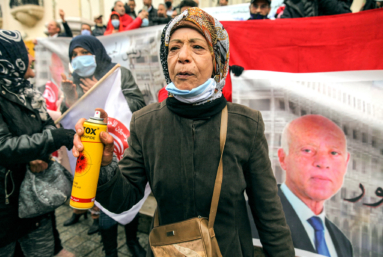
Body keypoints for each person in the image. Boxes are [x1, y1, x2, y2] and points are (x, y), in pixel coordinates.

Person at [73, 8, 295, 257]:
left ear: (217, 60)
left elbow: (269, 214)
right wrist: (104, 167)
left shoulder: (246, 124)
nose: (182, 57)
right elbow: (122, 199)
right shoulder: (145, 123)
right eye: (174, 48)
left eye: (197, 47)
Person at [61, 35, 146, 256]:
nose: (79, 59)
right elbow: (70, 117)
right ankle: (110, 250)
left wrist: (104, 92)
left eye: (84, 53)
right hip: (91, 155)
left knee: (127, 197)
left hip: (121, 147)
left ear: (96, 52)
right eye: (74, 55)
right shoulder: (75, 79)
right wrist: (69, 98)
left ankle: (132, 240)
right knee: (104, 205)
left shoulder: (118, 73)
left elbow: (138, 105)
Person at [0, 30, 75, 257]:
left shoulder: (24, 91)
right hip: (6, 207)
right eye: (26, 52)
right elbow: (3, 147)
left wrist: (38, 151)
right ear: (11, 60)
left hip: (35, 198)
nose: (31, 57)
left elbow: (45, 124)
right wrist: (53, 140)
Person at [250, 115, 353, 257]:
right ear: (283, 158)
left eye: (334, 153)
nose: (322, 162)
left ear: (346, 163)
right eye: (308, 150)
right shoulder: (249, 219)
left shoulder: (343, 243)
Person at [281, 0, 351, 18]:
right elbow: (283, 26)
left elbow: (347, 16)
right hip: (304, 50)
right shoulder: (293, 3)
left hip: (329, 47)